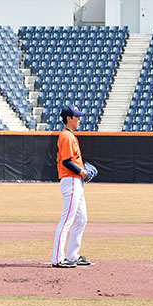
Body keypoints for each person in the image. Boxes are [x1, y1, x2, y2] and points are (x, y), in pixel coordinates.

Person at [52, 105, 91, 269]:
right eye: (77, 117)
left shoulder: (70, 136)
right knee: (67, 220)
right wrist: (82, 172)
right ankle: (58, 258)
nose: (79, 119)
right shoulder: (66, 136)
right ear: (69, 118)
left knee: (82, 219)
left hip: (76, 182)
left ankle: (72, 255)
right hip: (71, 180)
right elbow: (67, 161)